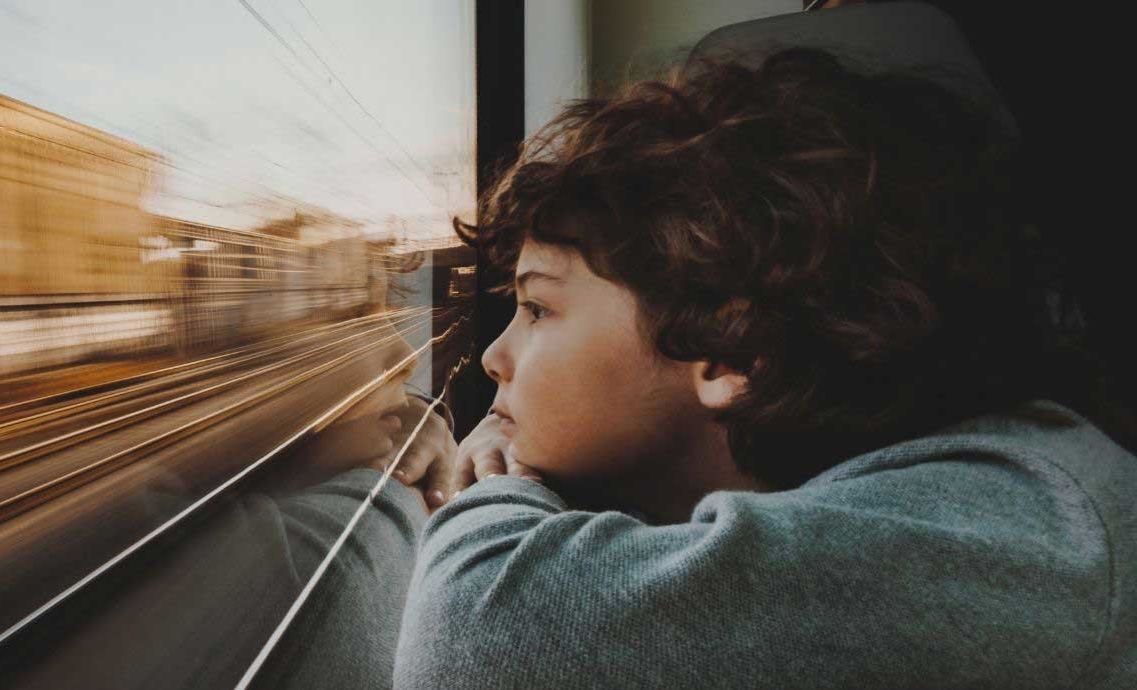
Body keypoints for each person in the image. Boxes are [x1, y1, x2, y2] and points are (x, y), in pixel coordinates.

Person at [383, 47, 1137, 688]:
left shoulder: (1017, 530)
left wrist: (508, 485)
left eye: (538, 309)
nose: (492, 355)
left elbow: (479, 632)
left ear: (733, 353)